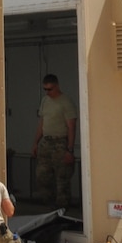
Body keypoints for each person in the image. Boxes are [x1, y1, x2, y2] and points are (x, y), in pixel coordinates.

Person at [32, 73, 77, 206]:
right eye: (45, 89)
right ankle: (48, 205)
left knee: (62, 178)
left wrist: (69, 150)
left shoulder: (66, 102)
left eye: (50, 89)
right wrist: (35, 142)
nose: (47, 92)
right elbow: (42, 123)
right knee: (42, 176)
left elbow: (71, 127)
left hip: (60, 143)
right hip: (46, 142)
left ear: (57, 86)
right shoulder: (45, 101)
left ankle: (62, 207)